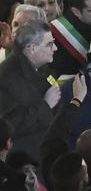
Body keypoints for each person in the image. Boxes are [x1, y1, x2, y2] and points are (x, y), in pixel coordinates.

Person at [0, 20, 58, 158]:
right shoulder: (7, 78)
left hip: (42, 149)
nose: (55, 48)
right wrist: (46, 105)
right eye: (49, 44)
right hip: (23, 158)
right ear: (32, 48)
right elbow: (10, 125)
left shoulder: (40, 67)